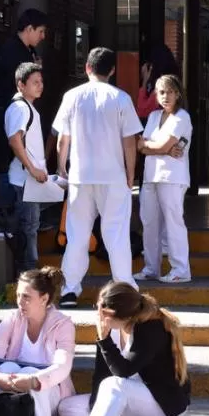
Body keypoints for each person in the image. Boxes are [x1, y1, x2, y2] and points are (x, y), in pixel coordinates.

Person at [54, 282, 190, 416]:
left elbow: (123, 371)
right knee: (68, 407)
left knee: (114, 384)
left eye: (102, 311)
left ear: (120, 315)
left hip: (163, 408)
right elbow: (101, 374)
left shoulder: (151, 328)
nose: (98, 315)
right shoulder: (113, 328)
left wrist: (104, 340)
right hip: (127, 401)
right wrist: (96, 408)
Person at [53, 47, 143, 308]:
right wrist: (130, 175)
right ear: (112, 70)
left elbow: (62, 139)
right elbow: (129, 141)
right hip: (114, 177)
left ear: (87, 68)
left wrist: (62, 167)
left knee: (77, 234)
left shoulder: (72, 96)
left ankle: (70, 290)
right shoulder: (121, 98)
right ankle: (124, 288)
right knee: (116, 234)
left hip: (81, 176)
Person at [0, 267, 76, 416]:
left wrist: (33, 381)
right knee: (6, 368)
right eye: (18, 296)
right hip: (14, 392)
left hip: (49, 394)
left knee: (32, 372)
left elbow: (62, 366)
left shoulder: (63, 324)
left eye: (26, 297)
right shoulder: (12, 319)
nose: (20, 302)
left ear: (44, 298)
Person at [0, 9, 48, 204]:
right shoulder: (14, 52)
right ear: (29, 28)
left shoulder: (22, 50)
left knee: (10, 166)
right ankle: (10, 221)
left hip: (5, 117)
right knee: (9, 167)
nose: (43, 36)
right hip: (7, 117)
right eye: (40, 31)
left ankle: (12, 220)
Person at [136, 75, 192, 284]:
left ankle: (180, 269)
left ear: (177, 93)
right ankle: (151, 267)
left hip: (172, 177)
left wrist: (154, 147)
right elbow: (141, 145)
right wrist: (161, 150)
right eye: (161, 92)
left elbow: (154, 146)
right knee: (149, 222)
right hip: (151, 176)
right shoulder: (153, 116)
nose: (165, 96)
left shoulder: (182, 117)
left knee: (173, 223)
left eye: (169, 91)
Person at [6, 62, 47, 273]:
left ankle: (29, 272)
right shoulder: (20, 108)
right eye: (35, 82)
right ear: (21, 85)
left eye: (41, 81)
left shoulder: (27, 107)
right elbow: (15, 140)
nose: (40, 86)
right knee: (29, 228)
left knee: (31, 226)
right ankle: (29, 274)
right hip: (24, 180)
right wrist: (32, 169)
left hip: (30, 179)